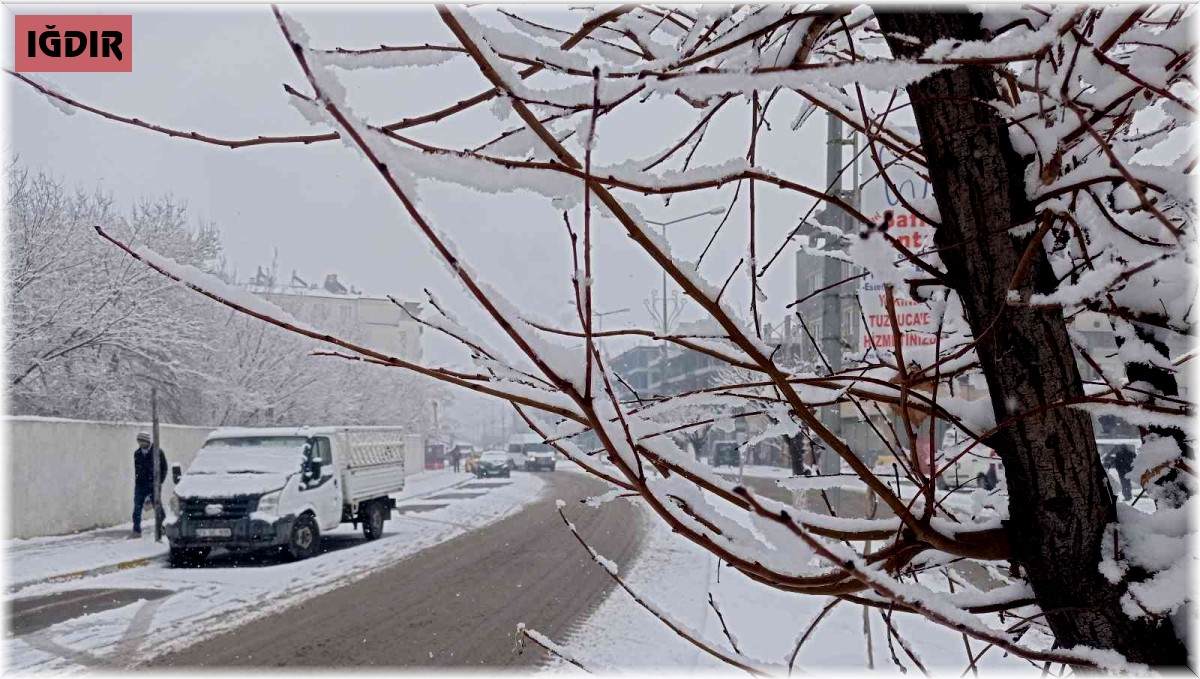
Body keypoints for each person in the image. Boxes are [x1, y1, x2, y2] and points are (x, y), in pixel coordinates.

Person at [132, 432, 168, 537]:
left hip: (154, 484)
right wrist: (138, 480)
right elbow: (137, 469)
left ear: (147, 441)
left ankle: (163, 527)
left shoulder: (157, 452)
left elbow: (164, 468)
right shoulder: (137, 453)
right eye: (138, 441)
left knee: (157, 507)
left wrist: (159, 481)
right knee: (137, 508)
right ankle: (136, 530)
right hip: (140, 485)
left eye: (142, 441)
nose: (140, 443)